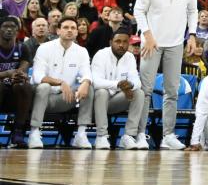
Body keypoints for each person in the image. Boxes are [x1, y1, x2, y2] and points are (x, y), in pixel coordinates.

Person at [130, 0, 197, 151]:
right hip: (152, 41)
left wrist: (192, 35)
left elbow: (192, 11)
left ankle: (168, 135)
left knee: (172, 91)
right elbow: (138, 10)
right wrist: (147, 35)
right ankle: (140, 134)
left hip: (176, 42)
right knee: (146, 90)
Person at [27, 18, 91, 148]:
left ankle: (81, 134)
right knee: (44, 86)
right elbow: (38, 76)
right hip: (42, 97)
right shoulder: (44, 48)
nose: (69, 30)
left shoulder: (82, 51)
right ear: (58, 31)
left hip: (65, 98)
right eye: (66, 27)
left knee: (89, 87)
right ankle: (34, 132)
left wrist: (86, 81)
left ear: (77, 32)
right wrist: (60, 82)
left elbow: (86, 72)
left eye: (73, 28)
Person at [85, 28, 143, 149]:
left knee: (139, 93)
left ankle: (129, 136)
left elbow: (136, 81)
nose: (121, 45)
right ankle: (101, 136)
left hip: (116, 101)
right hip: (96, 103)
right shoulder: (101, 55)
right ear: (111, 42)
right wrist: (118, 84)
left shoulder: (130, 57)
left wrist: (130, 86)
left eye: (125, 42)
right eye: (118, 41)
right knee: (102, 92)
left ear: (128, 43)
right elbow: (95, 82)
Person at [0, 16, 33, 146]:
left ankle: (18, 131)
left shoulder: (22, 48)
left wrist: (20, 74)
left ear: (17, 30)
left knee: (24, 86)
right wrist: (7, 73)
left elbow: (24, 67)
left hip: (14, 95)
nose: (9, 29)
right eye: (5, 26)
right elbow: (8, 73)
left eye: (12, 27)